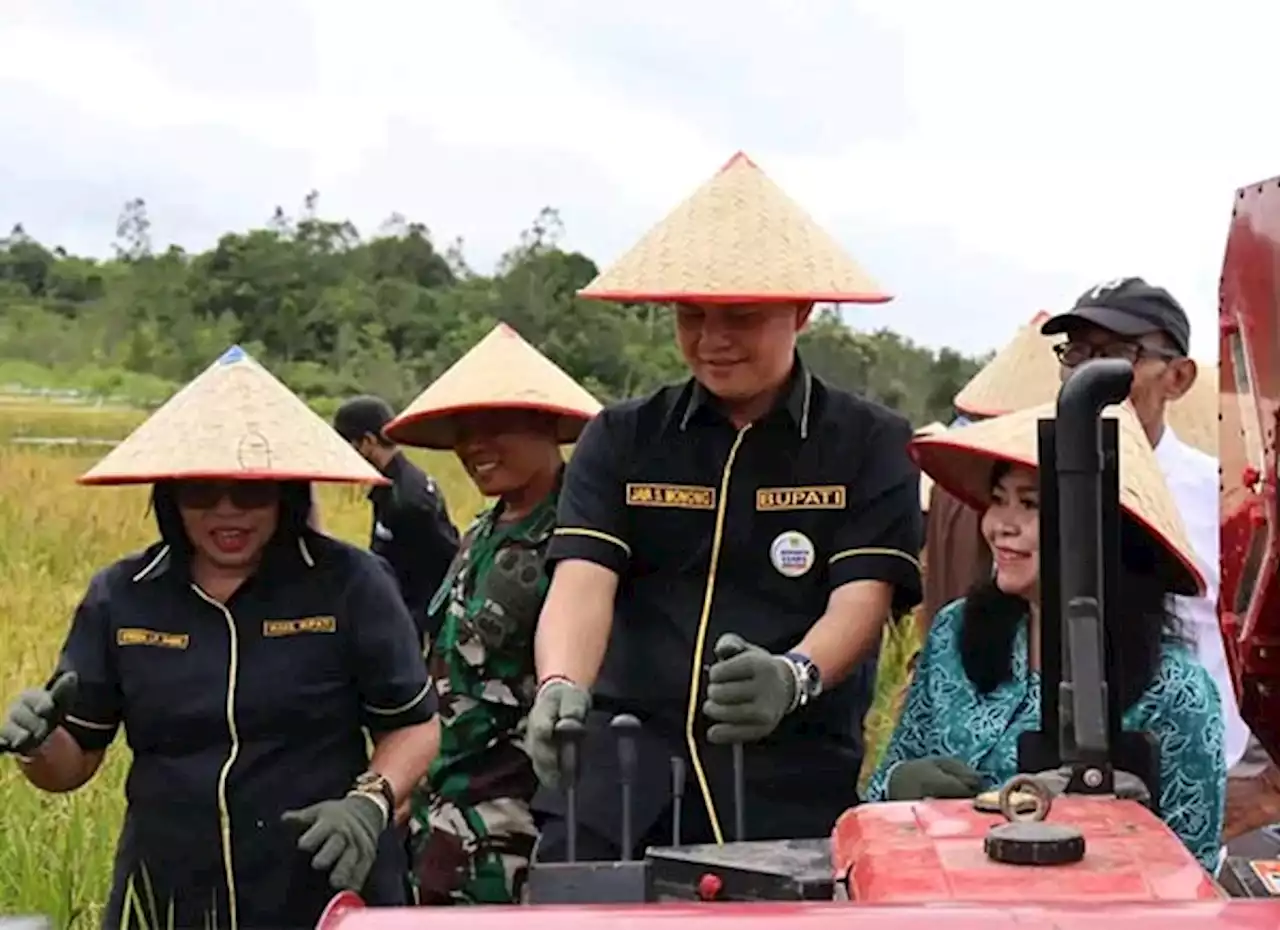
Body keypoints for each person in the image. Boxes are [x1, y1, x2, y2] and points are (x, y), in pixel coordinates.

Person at [526, 151, 924, 860]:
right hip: (618, 783)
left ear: (801, 310)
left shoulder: (868, 443)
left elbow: (860, 602)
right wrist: (560, 683)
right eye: (692, 315)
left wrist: (792, 675)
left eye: (740, 316)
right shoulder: (620, 437)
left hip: (787, 783)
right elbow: (582, 582)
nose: (712, 340)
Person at [0, 347, 442, 930]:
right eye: (203, 492)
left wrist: (370, 801)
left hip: (321, 885)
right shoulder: (124, 594)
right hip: (172, 888)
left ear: (285, 493)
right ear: (171, 495)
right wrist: (38, 742)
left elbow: (412, 721)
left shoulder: (349, 584)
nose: (227, 512)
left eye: (250, 492)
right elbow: (72, 763)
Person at [865, 399, 1227, 872]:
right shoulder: (957, 633)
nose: (1000, 526)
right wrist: (899, 788)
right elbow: (878, 801)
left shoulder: (1176, 692)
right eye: (998, 500)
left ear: (1102, 528)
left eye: (1030, 504)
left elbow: (1189, 873)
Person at [380, 323, 602, 904]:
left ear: (549, 425)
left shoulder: (582, 539)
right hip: (443, 814)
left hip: (525, 826)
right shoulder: (479, 532)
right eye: (463, 430)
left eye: (497, 427)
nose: (475, 445)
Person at [1038, 278, 1248, 775]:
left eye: (1115, 354)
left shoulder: (1226, 500)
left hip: (1198, 776)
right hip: (1055, 772)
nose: (1088, 372)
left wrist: (1265, 790)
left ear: (1178, 377)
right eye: (1077, 353)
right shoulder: (1028, 486)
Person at [334, 394, 461, 636]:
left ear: (367, 441)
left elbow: (443, 567)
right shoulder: (394, 486)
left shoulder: (408, 500)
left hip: (417, 624)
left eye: (347, 446)